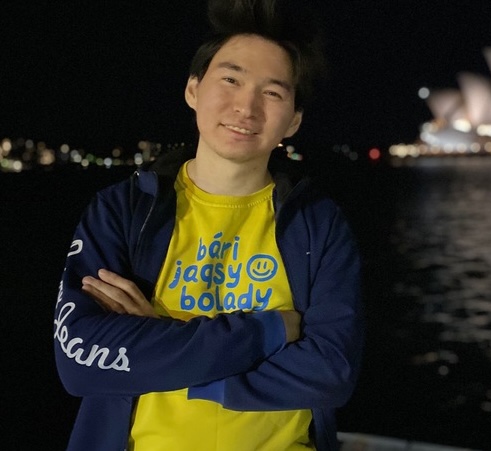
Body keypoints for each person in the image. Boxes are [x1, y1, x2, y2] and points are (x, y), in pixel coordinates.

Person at [53, 1, 364, 450]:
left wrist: (160, 344)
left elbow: (331, 372)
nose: (247, 107)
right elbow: (78, 362)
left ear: (293, 120)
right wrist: (272, 331)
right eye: (231, 80)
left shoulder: (316, 224)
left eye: (273, 93)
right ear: (193, 90)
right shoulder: (123, 212)